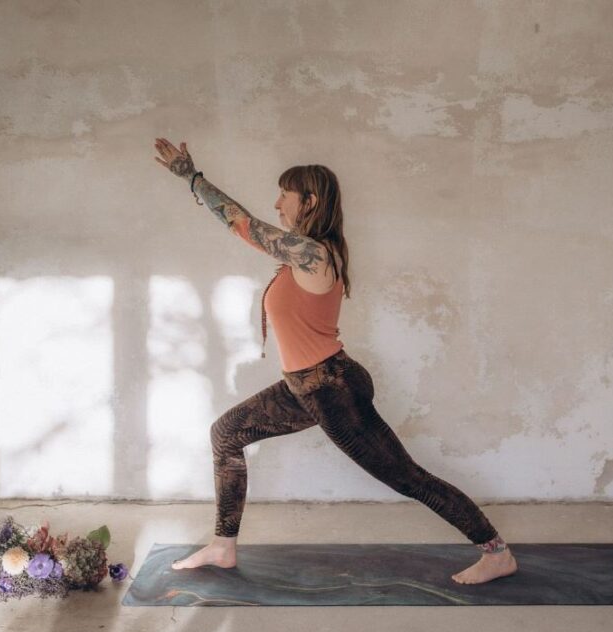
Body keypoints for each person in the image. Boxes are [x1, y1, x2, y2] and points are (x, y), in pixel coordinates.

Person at [152, 138, 517, 584]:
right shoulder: (302, 254)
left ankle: (496, 552)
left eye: (284, 195)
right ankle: (223, 546)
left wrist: (193, 178)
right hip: (303, 387)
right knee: (226, 433)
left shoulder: (314, 254)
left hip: (332, 389)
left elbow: (242, 223)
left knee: (407, 478)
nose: (277, 204)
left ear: (310, 201)